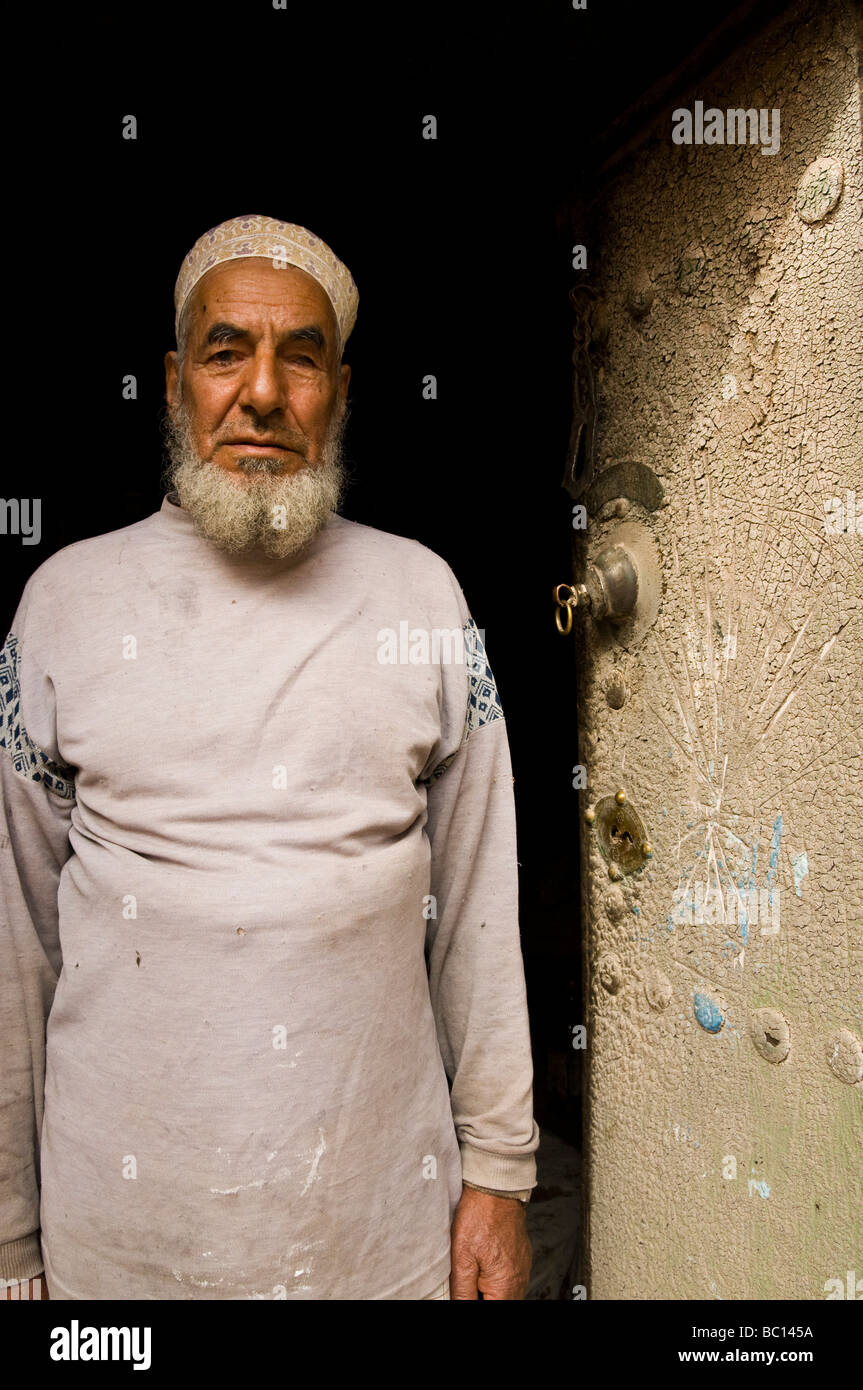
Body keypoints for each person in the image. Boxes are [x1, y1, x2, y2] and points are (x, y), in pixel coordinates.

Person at [0, 215, 539, 1301]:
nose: (260, 392)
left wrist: (499, 1171)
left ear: (339, 389)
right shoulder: (63, 602)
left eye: (300, 356)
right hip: (127, 1234)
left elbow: (480, 907)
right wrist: (11, 1240)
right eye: (224, 351)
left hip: (376, 1222)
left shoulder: (422, 597)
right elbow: (15, 940)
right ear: (171, 381)